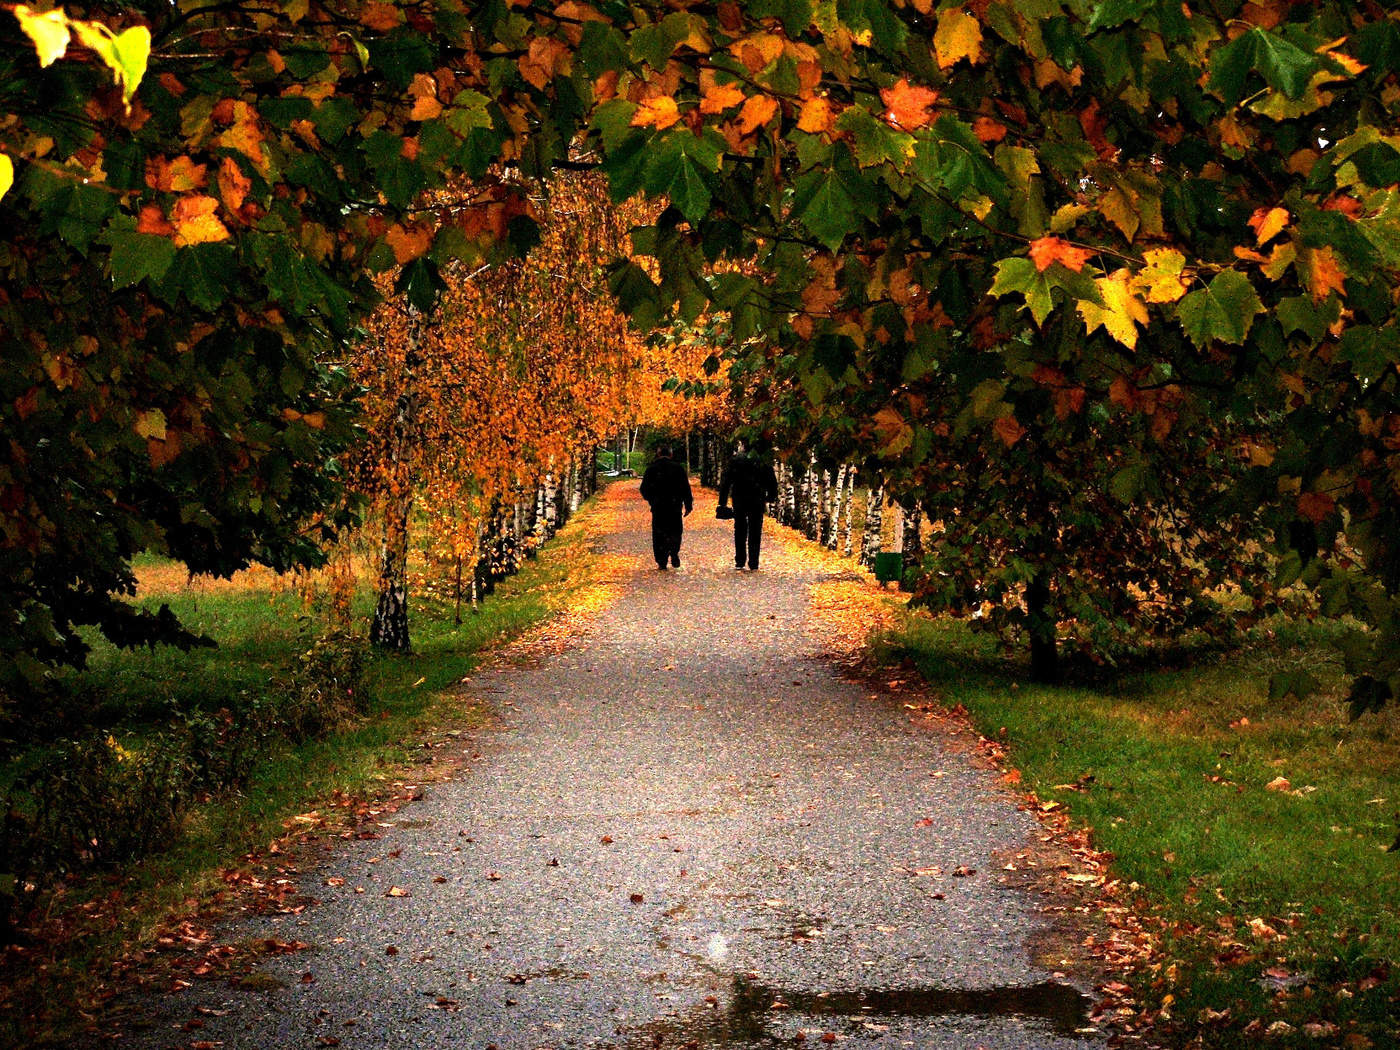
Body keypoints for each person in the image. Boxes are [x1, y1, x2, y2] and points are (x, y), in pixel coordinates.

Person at [717, 440, 778, 571]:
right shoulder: (762, 461)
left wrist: (722, 502)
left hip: (740, 499)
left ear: (743, 445)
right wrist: (771, 496)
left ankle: (740, 560)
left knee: (740, 529)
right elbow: (771, 480)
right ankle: (754, 562)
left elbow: (726, 481)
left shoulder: (736, 460)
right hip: (757, 499)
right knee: (755, 531)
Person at [639, 444, 693, 570]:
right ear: (671, 454)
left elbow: (643, 489)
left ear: (658, 454)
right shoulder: (678, 469)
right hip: (674, 506)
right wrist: (688, 504)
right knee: (675, 531)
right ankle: (674, 552)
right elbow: (685, 488)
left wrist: (651, 500)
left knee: (659, 533)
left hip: (658, 507)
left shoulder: (652, 469)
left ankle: (661, 560)